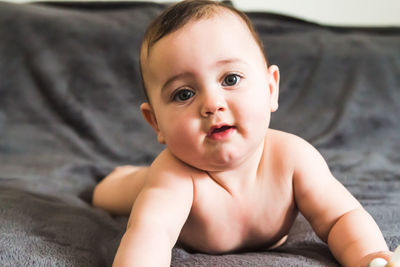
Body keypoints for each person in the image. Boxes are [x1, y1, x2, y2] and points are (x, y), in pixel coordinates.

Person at [92, 1, 393, 266]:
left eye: (230, 78)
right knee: (116, 191)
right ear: (156, 123)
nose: (212, 104)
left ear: (270, 88)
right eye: (184, 94)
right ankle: (118, 177)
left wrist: (369, 257)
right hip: (149, 184)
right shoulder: (175, 177)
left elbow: (341, 217)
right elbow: (150, 234)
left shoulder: (294, 159)